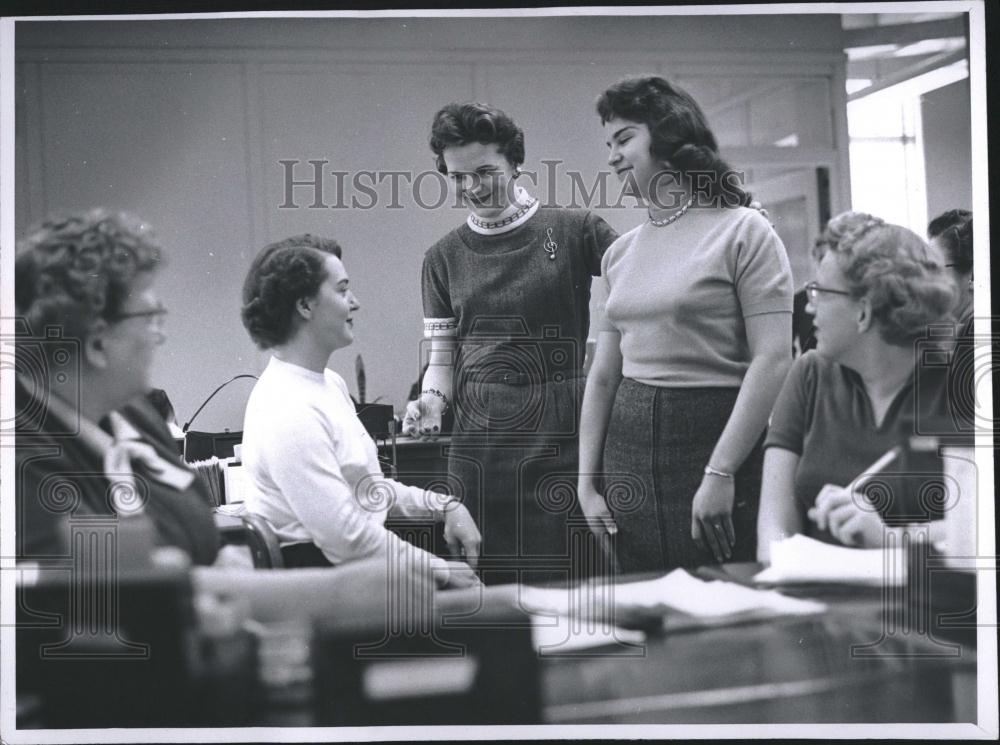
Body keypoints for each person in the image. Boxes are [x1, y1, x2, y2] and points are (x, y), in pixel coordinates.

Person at [578, 75, 794, 572]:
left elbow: (773, 357)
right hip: (626, 452)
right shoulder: (618, 253)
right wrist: (587, 482)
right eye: (608, 143)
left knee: (726, 600)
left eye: (625, 138)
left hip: (714, 440)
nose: (612, 155)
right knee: (647, 606)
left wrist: (722, 470)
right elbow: (604, 375)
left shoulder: (745, 231)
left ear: (669, 138)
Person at [402, 102, 618, 584]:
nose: (472, 188)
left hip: (563, 434)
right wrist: (433, 402)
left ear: (515, 164)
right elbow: (442, 359)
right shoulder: (441, 257)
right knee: (495, 595)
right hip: (480, 448)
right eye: (458, 178)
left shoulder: (574, 228)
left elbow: (647, 272)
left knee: (573, 587)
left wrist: (725, 224)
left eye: (485, 172)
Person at [239, 233, 481, 587]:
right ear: (305, 306)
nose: (355, 302)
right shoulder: (287, 407)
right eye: (341, 290)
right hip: (327, 592)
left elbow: (370, 490)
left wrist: (444, 505)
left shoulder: (329, 384)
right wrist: (445, 573)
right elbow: (348, 542)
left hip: (358, 574)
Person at [14, 210, 219, 566]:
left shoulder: (132, 412)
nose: (161, 335)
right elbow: (124, 596)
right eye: (150, 318)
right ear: (96, 343)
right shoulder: (22, 463)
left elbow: (201, 540)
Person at [756, 218, 958, 559]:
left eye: (820, 291)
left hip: (919, 602)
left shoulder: (959, 392)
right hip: (812, 595)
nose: (808, 304)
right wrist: (785, 576)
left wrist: (891, 539)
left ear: (864, 311)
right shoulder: (809, 375)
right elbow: (773, 526)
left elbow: (979, 530)